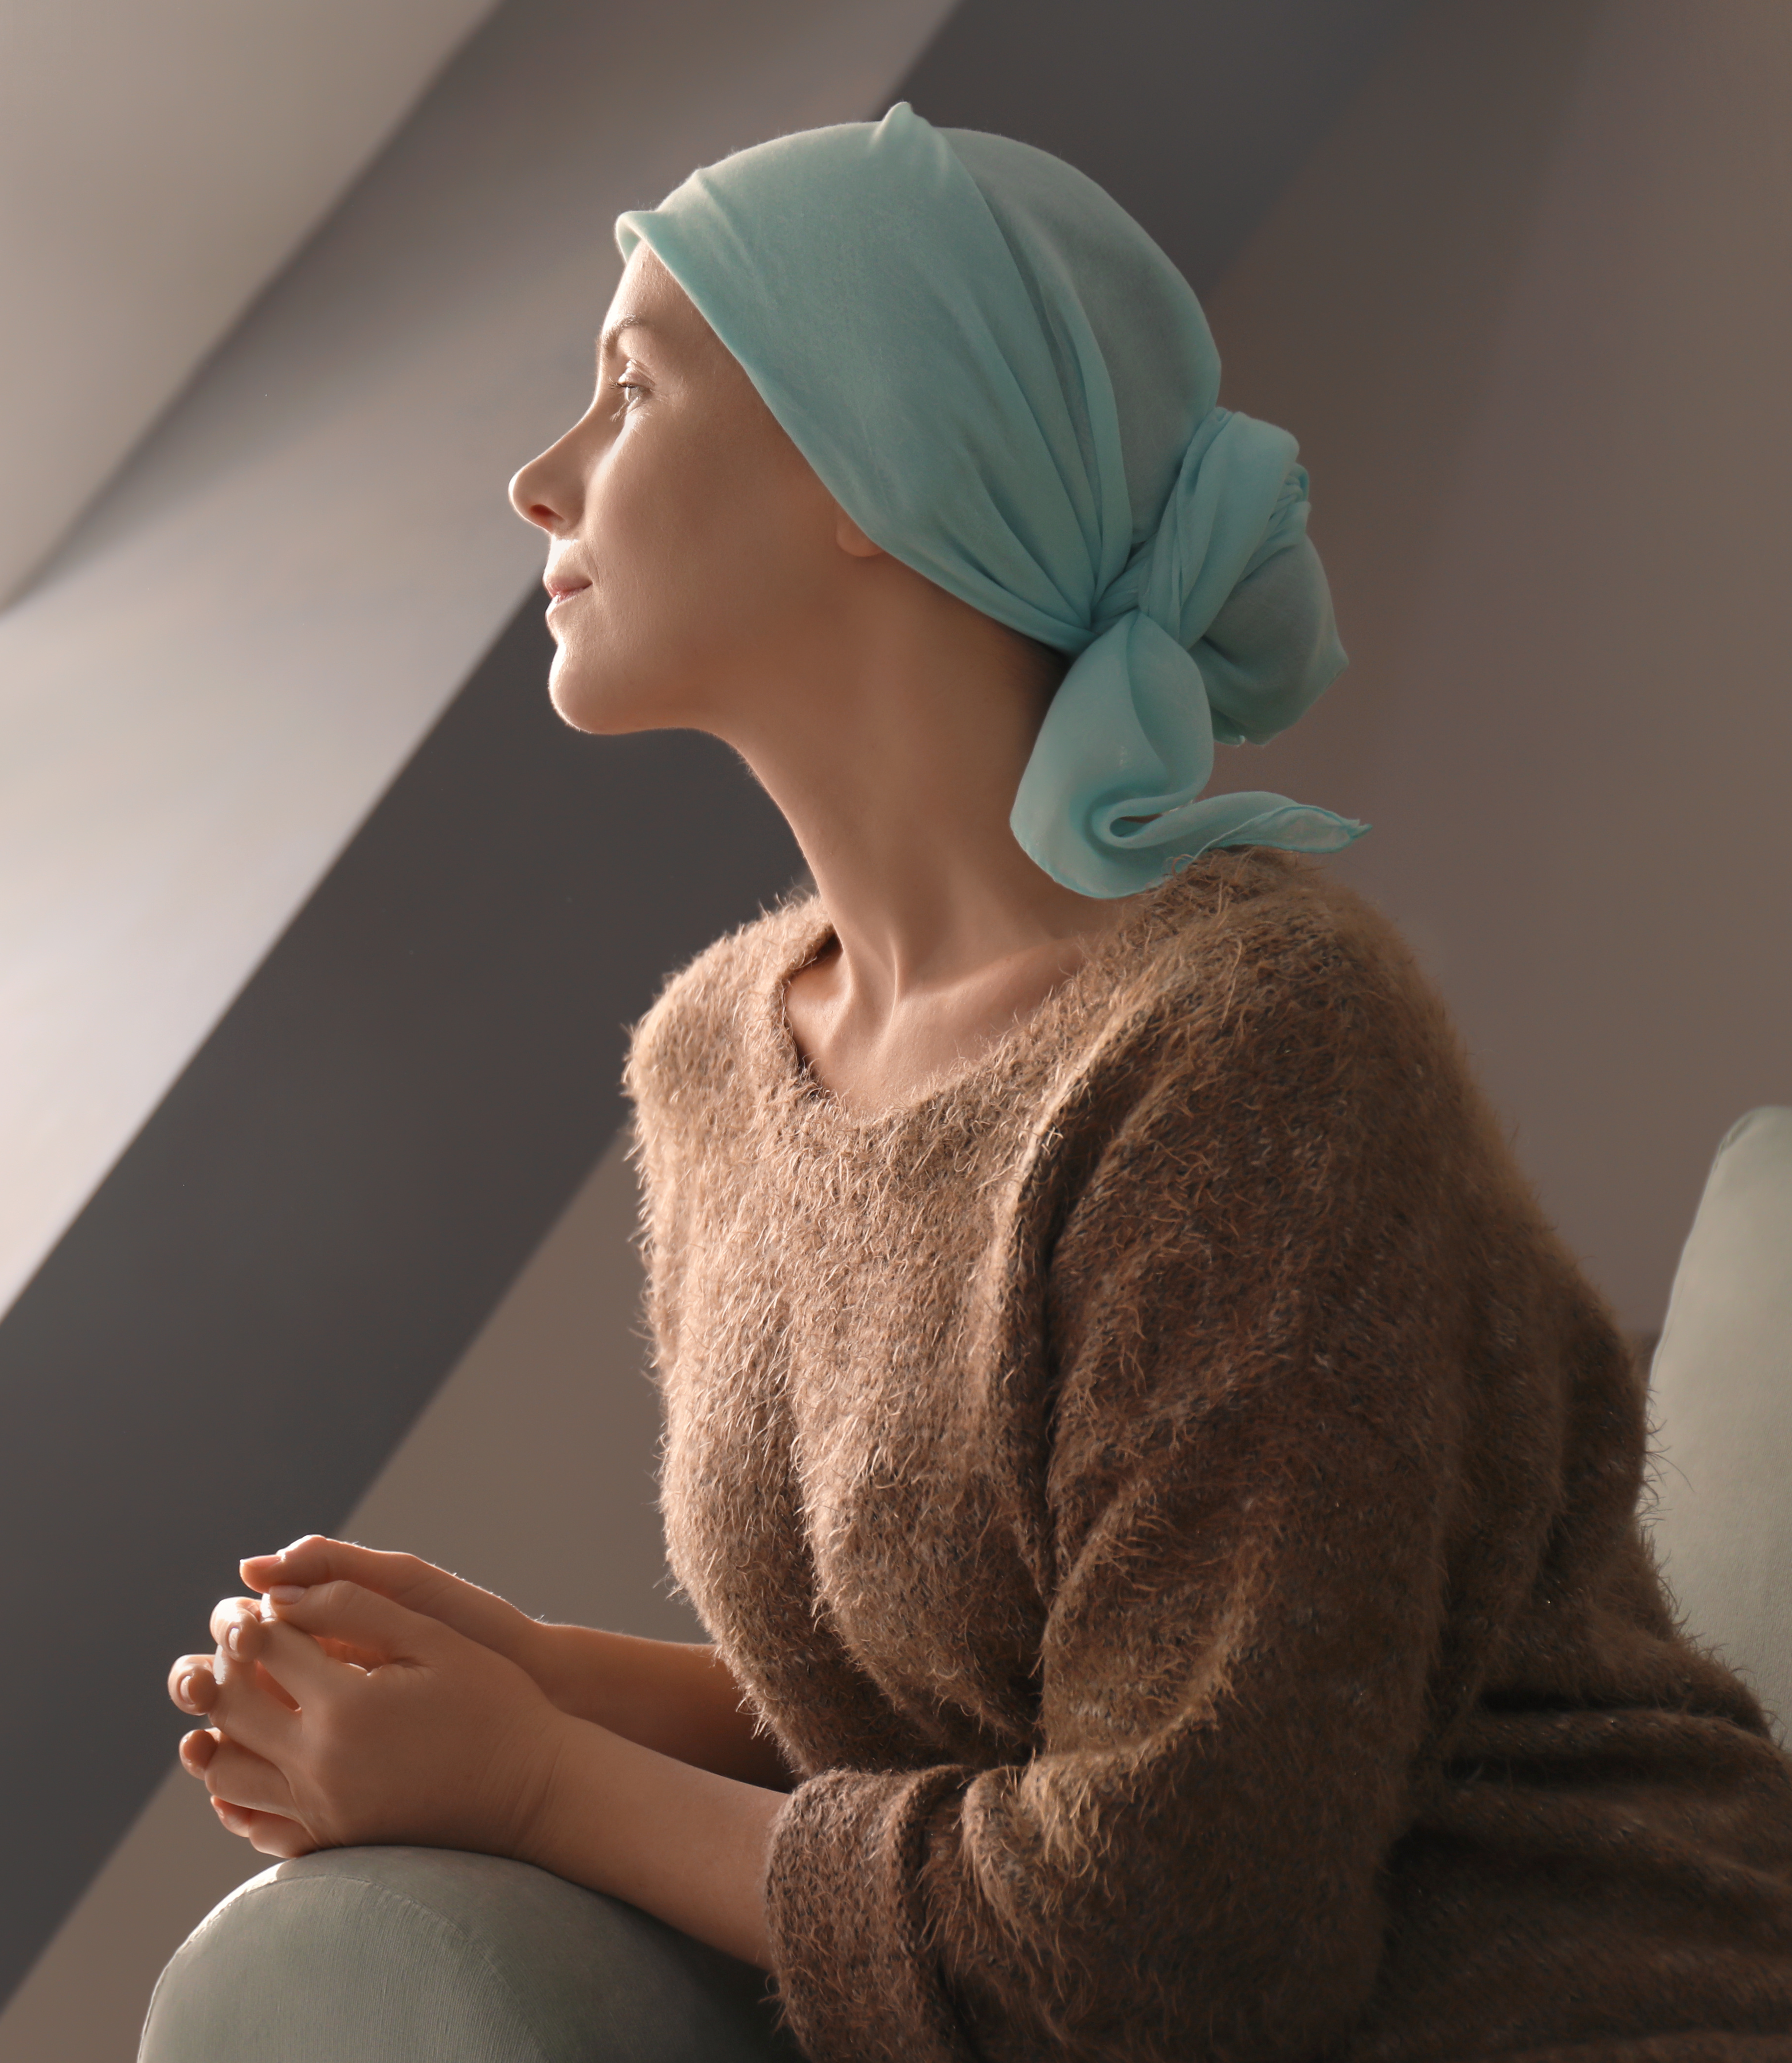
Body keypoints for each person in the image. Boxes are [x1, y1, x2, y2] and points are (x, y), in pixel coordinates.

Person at [153, 104, 1792, 2059]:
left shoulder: (1250, 1064)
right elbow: (990, 1708)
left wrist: (530, 1777)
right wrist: (550, 1679)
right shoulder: (716, 1058)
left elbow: (1174, 1930)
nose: (537, 477)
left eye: (627, 387)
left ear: (873, 467)